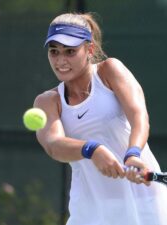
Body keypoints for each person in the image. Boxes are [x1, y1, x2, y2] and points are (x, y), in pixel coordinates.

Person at [34, 13, 167, 225]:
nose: (60, 60)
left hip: (145, 200)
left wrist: (133, 154)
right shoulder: (47, 101)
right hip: (90, 210)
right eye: (54, 52)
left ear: (90, 50)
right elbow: (53, 144)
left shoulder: (110, 71)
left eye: (70, 51)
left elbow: (139, 116)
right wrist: (92, 149)